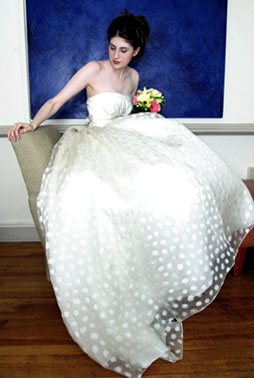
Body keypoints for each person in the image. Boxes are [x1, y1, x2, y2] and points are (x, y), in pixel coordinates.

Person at [8, 10, 254, 378]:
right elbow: (57, 101)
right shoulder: (93, 69)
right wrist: (33, 122)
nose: (116, 55)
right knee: (91, 190)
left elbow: (127, 114)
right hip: (94, 141)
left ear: (136, 51)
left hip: (127, 139)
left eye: (123, 49)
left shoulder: (134, 76)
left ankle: (162, 280)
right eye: (112, 47)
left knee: (174, 180)